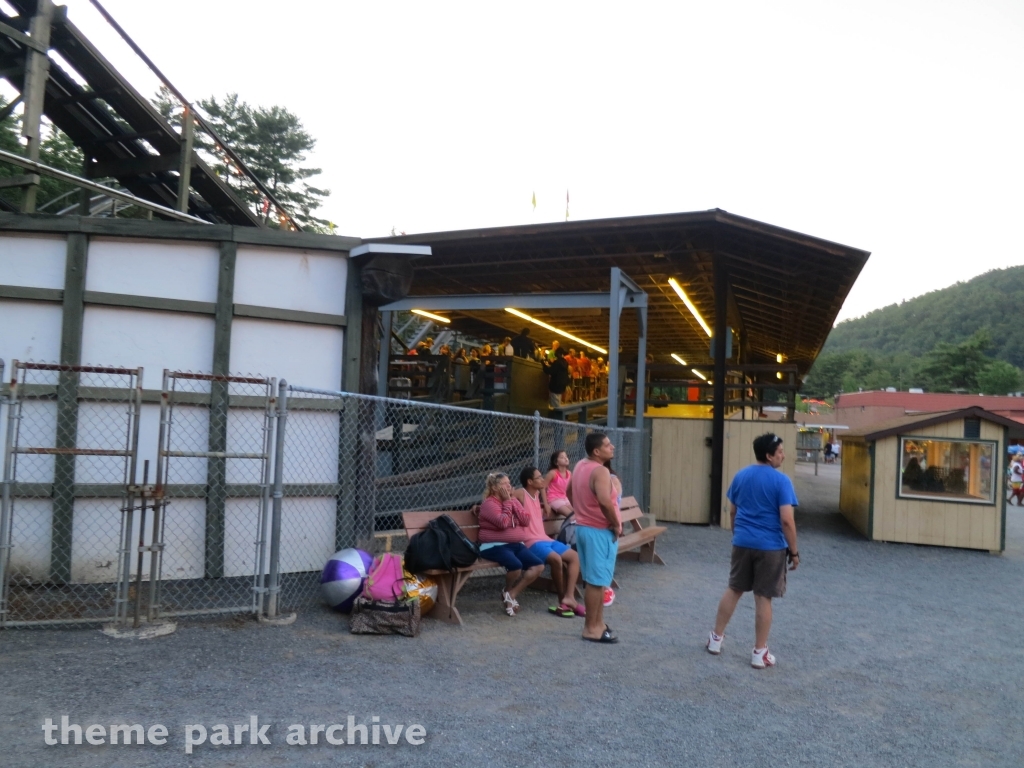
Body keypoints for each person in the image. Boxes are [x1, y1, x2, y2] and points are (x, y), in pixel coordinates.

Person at [707, 433, 799, 669]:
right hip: (770, 546)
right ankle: (759, 652)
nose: (783, 455)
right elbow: (787, 520)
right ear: (769, 455)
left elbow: (732, 511)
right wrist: (794, 551)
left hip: (742, 541)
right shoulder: (782, 481)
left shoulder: (741, 475)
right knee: (763, 596)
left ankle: (715, 639)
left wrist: (738, 535)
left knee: (734, 588)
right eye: (780, 452)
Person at [566, 432, 621, 643]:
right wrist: (615, 524)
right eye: (608, 445)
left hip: (584, 528)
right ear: (597, 451)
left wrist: (581, 511)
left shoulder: (581, 465)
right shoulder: (600, 471)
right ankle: (591, 628)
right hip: (599, 530)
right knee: (597, 582)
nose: (612, 447)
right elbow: (605, 501)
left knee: (596, 580)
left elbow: (569, 491)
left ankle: (598, 623)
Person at [513, 466, 583, 617]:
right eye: (539, 477)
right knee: (556, 559)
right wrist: (478, 507)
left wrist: (546, 503)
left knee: (575, 557)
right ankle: (562, 600)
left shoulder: (537, 493)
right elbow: (500, 499)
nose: (542, 479)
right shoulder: (521, 493)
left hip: (545, 538)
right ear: (529, 481)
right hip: (531, 541)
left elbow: (543, 491)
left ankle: (569, 597)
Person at [477, 473, 545, 616]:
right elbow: (503, 523)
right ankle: (508, 589)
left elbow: (525, 521)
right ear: (495, 488)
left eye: (509, 482)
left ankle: (511, 593)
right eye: (504, 484)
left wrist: (512, 501)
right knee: (516, 566)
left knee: (538, 566)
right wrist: (508, 502)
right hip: (494, 545)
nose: (509, 486)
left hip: (515, 544)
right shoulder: (489, 504)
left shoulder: (512, 500)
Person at [544, 450, 574, 516]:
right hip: (554, 499)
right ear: (556, 462)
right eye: (562, 457)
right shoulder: (552, 473)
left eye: (566, 456)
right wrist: (545, 504)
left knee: (578, 514)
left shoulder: (569, 473)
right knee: (571, 516)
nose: (566, 458)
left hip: (565, 498)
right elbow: (543, 488)